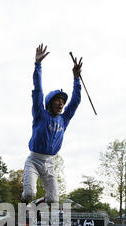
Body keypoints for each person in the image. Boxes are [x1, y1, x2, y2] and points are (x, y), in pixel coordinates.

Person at [21, 43, 82, 206]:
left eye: (63, 102)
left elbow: (75, 101)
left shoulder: (64, 119)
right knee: (29, 193)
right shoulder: (40, 113)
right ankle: (25, 200)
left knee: (54, 199)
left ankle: (34, 205)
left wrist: (76, 78)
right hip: (34, 160)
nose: (61, 104)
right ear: (49, 103)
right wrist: (38, 65)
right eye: (58, 101)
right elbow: (38, 90)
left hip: (50, 162)